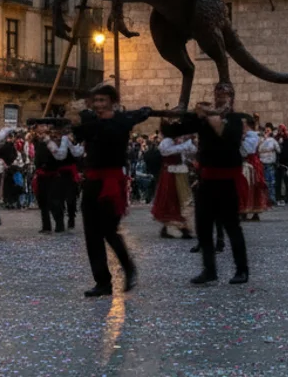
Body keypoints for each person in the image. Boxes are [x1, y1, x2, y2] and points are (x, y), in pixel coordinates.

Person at [163, 82, 251, 286]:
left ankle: (242, 269)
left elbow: (229, 138)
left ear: (232, 97)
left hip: (227, 181)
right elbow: (173, 131)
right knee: (203, 226)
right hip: (206, 180)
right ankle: (209, 269)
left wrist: (211, 116)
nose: (220, 97)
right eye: (218, 93)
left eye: (225, 94)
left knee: (232, 227)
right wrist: (169, 116)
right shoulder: (202, 120)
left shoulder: (236, 120)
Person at [71, 84, 153, 296]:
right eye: (95, 101)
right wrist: (76, 117)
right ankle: (102, 282)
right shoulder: (92, 122)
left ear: (112, 102)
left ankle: (128, 267)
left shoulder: (121, 121)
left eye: (102, 100)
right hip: (92, 180)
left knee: (109, 229)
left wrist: (143, 112)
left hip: (112, 181)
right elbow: (79, 134)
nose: (98, 105)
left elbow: (132, 119)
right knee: (91, 233)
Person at [152, 133, 196, 238]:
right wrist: (185, 144)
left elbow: (192, 152)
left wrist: (188, 142)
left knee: (184, 200)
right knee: (171, 199)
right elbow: (165, 151)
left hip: (181, 173)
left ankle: (182, 226)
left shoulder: (182, 141)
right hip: (170, 174)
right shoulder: (167, 141)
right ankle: (173, 227)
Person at [32, 123, 66, 233]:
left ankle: (59, 225)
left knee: (54, 201)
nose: (40, 129)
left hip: (52, 175)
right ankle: (46, 226)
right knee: (43, 201)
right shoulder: (38, 141)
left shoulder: (53, 141)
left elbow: (57, 156)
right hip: (42, 175)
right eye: (39, 127)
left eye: (43, 126)